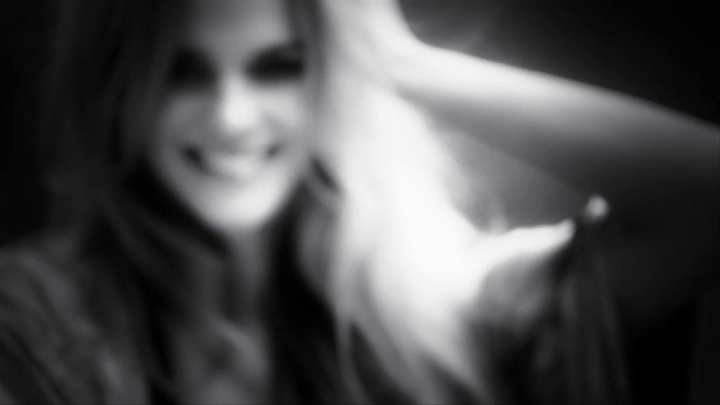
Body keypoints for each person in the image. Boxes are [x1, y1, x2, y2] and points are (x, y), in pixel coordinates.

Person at [1, 0, 717, 404]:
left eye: (279, 66)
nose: (231, 117)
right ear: (117, 89)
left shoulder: (444, 305)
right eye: (181, 72)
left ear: (336, 78)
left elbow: (703, 191)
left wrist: (398, 63)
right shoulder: (29, 320)